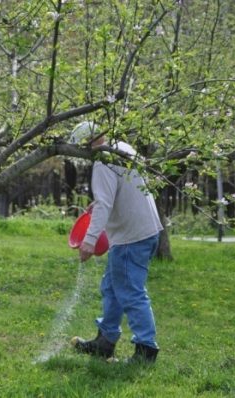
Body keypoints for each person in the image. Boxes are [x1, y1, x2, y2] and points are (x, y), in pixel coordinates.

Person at [69, 121, 163, 363]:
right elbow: (119, 192)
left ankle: (146, 350)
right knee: (112, 287)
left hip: (132, 237)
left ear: (87, 144)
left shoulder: (103, 161)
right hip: (143, 231)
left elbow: (104, 203)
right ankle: (105, 342)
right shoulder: (122, 148)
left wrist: (89, 240)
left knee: (131, 292)